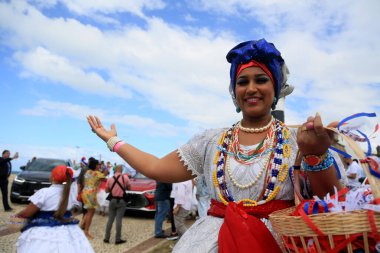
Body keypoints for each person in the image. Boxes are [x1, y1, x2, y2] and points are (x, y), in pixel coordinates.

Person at [87, 39, 344, 252]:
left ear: (275, 88)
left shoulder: (295, 140)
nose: (251, 88)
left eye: (261, 80)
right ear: (234, 91)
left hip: (276, 242)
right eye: (242, 82)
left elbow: (330, 200)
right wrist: (113, 141)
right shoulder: (211, 141)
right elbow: (155, 167)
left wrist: (315, 153)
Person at [15, 165, 94, 253]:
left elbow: (27, 213)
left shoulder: (44, 192)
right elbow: (73, 211)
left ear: (52, 177)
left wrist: (15, 218)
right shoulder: (70, 195)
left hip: (42, 230)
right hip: (68, 230)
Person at [103, 164, 130, 244]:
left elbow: (106, 191)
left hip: (112, 200)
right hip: (121, 201)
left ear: (115, 170)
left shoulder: (110, 179)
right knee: (119, 220)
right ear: (121, 170)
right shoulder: (125, 178)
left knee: (110, 220)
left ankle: (106, 238)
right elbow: (130, 188)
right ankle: (117, 239)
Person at [81, 158, 105, 239]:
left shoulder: (87, 172)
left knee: (88, 212)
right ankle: (86, 232)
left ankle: (80, 227)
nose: (99, 166)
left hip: (84, 192)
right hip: (91, 194)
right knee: (90, 214)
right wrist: (104, 170)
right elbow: (105, 177)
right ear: (95, 165)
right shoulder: (97, 173)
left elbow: (84, 182)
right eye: (98, 164)